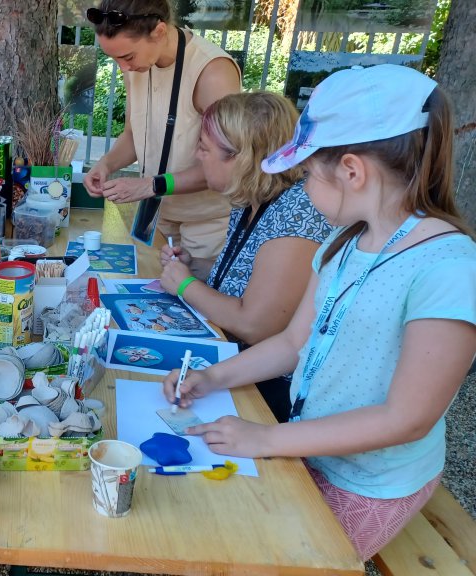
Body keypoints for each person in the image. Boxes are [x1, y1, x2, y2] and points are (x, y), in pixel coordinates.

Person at [164, 65, 476, 560]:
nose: (303, 187)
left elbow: (408, 418)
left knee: (269, 559)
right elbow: (292, 343)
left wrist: (268, 436)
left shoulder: (448, 267)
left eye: (308, 173)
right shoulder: (342, 241)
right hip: (308, 444)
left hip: (367, 481)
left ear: (352, 171)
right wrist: (212, 377)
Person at [158, 92, 331, 422]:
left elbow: (256, 325)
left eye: (204, 149)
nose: (197, 155)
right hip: (233, 365)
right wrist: (195, 268)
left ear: (243, 158)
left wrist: (186, 285)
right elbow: (246, 280)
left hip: (269, 393)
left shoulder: (296, 214)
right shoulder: (250, 199)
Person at [83, 0, 241, 279]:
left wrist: (151, 185)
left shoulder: (212, 71)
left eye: (128, 57)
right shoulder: (138, 65)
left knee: (197, 311)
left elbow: (229, 164)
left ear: (158, 31)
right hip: (158, 217)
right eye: (115, 59)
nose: (123, 68)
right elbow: (134, 134)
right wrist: (105, 164)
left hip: (205, 223)